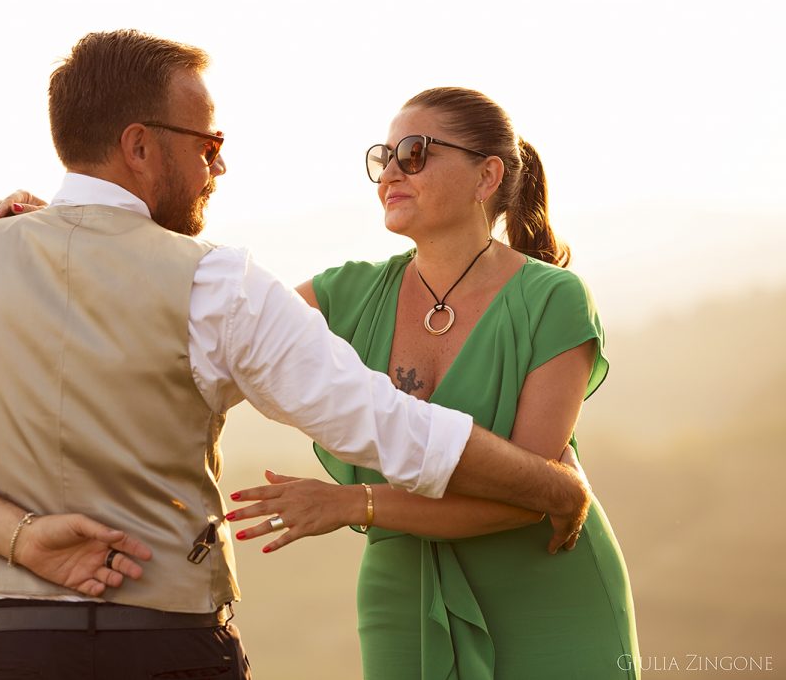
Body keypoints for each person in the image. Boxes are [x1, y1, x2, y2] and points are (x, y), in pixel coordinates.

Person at [0, 31, 591, 680]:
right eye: (210, 145)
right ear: (139, 146)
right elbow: (389, 427)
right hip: (169, 650)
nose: (218, 167)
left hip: (1, 653)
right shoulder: (218, 283)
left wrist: (16, 537)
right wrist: (553, 488)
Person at [225, 88, 640, 678]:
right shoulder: (344, 294)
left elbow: (525, 498)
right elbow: (220, 337)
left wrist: (351, 502)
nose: (390, 172)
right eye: (383, 156)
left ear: (486, 176)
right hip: (403, 591)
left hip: (548, 593)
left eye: (414, 153)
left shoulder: (553, 299)